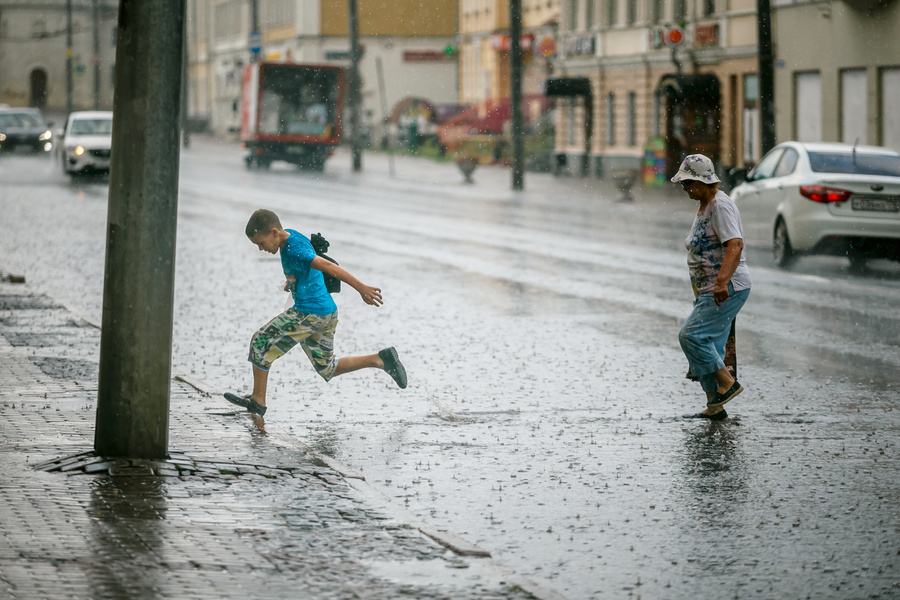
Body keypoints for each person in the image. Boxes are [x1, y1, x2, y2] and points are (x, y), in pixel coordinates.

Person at [225, 209, 407, 416]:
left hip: (310, 313)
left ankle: (258, 401)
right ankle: (380, 359)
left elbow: (327, 266)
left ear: (274, 232)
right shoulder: (291, 236)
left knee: (260, 342)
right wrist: (292, 281)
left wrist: (361, 288)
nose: (260, 248)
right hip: (327, 313)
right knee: (327, 368)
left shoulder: (294, 250)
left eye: (261, 243)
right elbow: (308, 266)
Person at [672, 155, 751, 421]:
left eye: (688, 183)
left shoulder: (720, 205)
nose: (685, 189)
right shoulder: (706, 203)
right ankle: (715, 405)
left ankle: (728, 384)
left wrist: (720, 282)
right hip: (709, 289)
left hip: (726, 287)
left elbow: (735, 245)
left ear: (703, 181)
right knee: (711, 345)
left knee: (691, 337)